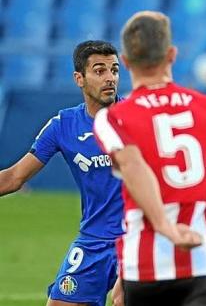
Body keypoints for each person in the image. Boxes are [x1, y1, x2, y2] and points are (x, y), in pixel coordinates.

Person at [93, 11, 206, 305]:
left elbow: (135, 167)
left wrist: (164, 227)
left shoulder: (113, 118)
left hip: (145, 266)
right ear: (171, 54)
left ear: (124, 61)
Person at [0, 40, 124, 306]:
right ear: (79, 78)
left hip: (137, 239)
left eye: (114, 70)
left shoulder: (137, 119)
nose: (110, 78)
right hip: (93, 241)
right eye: (99, 70)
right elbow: (13, 178)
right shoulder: (63, 124)